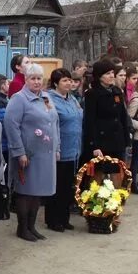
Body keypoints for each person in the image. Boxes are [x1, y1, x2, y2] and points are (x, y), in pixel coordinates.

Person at [5, 63, 60, 242]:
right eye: (33, 78)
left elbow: (55, 123)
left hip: (46, 153)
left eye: (39, 78)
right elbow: (11, 126)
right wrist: (19, 152)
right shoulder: (18, 99)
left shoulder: (46, 97)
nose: (37, 82)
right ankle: (22, 227)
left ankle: (32, 226)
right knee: (26, 191)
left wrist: (57, 147)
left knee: (38, 191)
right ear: (26, 79)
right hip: (29, 154)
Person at [45, 68, 82, 230]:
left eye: (70, 80)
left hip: (74, 149)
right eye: (65, 81)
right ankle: (53, 220)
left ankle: (64, 218)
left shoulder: (72, 99)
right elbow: (50, 125)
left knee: (68, 187)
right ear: (55, 83)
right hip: (59, 150)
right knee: (58, 187)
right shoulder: (49, 99)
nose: (69, 83)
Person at [82, 59, 131, 164]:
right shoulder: (92, 94)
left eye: (112, 73)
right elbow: (90, 121)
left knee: (118, 173)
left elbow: (122, 116)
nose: (111, 76)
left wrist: (126, 139)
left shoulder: (116, 91)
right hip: (102, 141)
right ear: (99, 76)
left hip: (118, 140)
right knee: (101, 175)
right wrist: (94, 145)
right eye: (107, 73)